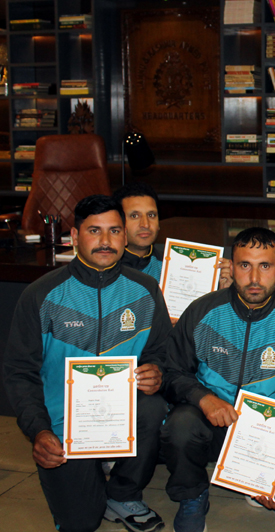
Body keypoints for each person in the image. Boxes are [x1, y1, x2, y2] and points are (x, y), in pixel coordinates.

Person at [4, 195, 172, 532]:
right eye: (95, 231)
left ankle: (122, 492)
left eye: (114, 231)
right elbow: (20, 373)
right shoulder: (41, 295)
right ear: (74, 235)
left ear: (125, 236)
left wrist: (157, 372)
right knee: (81, 522)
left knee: (153, 408)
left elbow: (162, 353)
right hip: (64, 426)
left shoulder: (145, 290)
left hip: (122, 416)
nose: (106, 241)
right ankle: (90, 474)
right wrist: (39, 431)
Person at [159, 227, 275, 532]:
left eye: (265, 266)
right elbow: (171, 373)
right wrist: (204, 398)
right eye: (245, 265)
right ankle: (192, 495)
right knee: (180, 425)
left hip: (266, 432)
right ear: (231, 267)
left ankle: (256, 477)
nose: (255, 278)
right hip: (211, 423)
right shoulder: (203, 311)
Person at [113, 183, 233, 289]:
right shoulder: (106, 267)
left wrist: (224, 292)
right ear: (117, 222)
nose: (145, 224)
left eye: (151, 215)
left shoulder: (177, 266)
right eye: (135, 216)